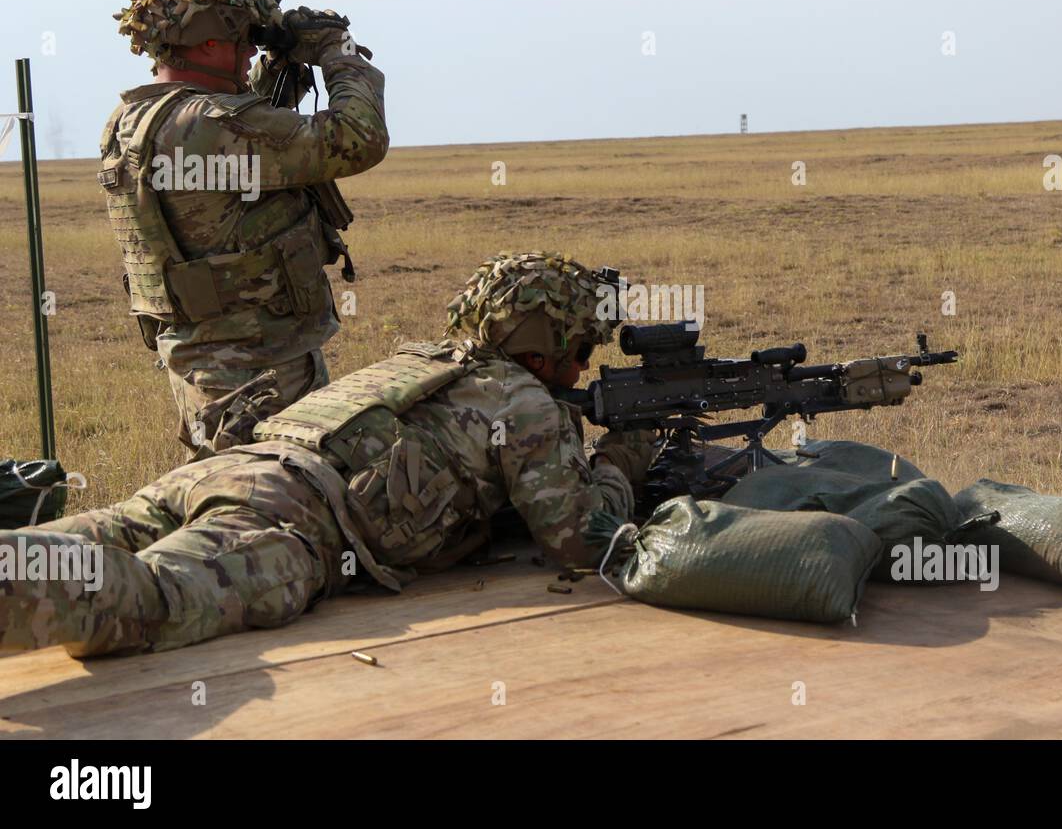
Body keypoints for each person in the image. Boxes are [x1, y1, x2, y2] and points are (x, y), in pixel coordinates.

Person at [0, 254, 658, 657]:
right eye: (580, 352)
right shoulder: (528, 405)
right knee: (150, 600)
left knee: (57, 541)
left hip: (222, 471)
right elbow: (581, 541)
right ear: (540, 346)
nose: (581, 368)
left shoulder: (427, 359)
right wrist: (622, 457)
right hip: (291, 520)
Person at [100, 0, 389, 453]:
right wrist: (338, 53)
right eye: (243, 39)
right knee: (279, 508)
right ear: (209, 41)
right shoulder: (212, 123)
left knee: (234, 503)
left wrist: (273, 78)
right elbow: (357, 138)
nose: (251, 48)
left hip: (208, 360)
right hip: (257, 367)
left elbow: (237, 149)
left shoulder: (133, 118)